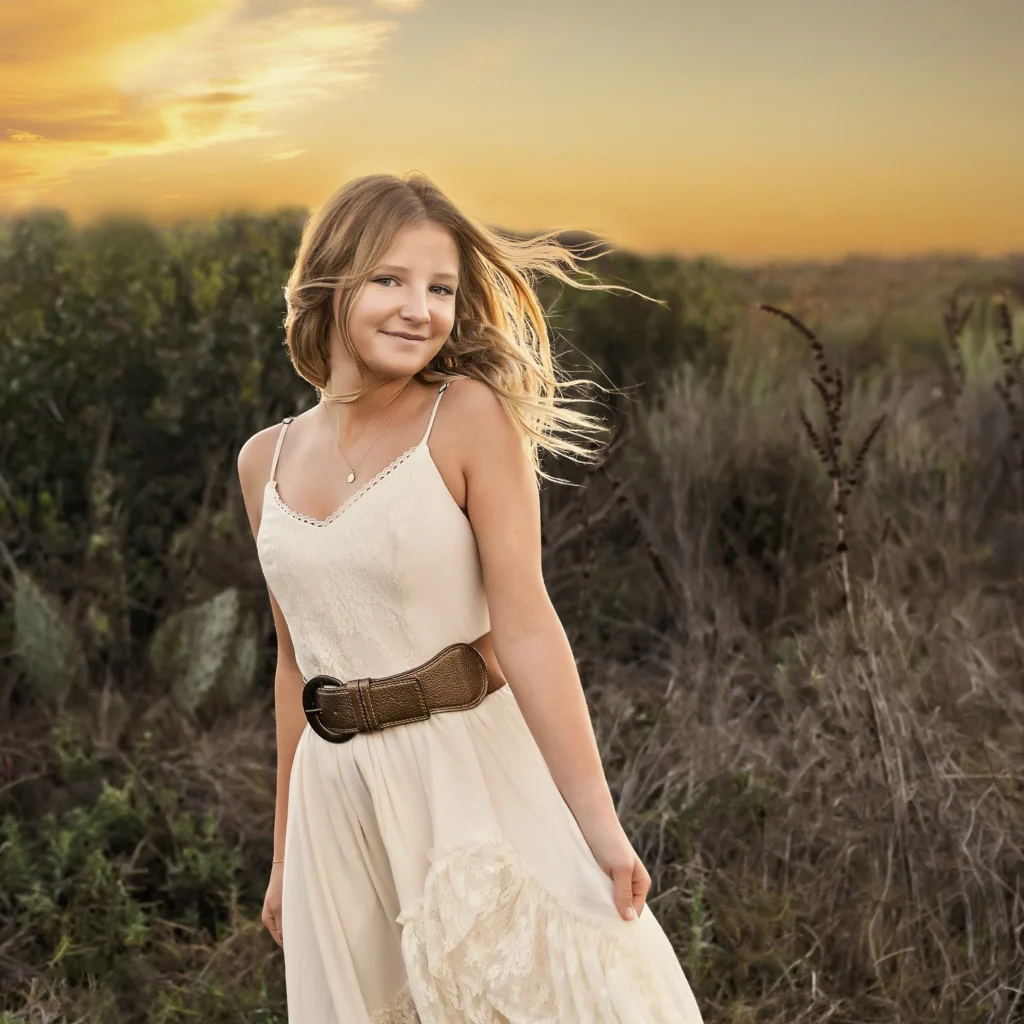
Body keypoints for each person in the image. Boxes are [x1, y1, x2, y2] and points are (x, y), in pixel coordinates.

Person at [237, 171, 705, 1023]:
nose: (420, 309)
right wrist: (281, 858)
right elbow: (293, 665)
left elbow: (527, 627)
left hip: (467, 772)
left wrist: (598, 825)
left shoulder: (466, 417)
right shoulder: (262, 459)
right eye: (390, 279)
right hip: (335, 807)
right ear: (330, 282)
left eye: (441, 288)